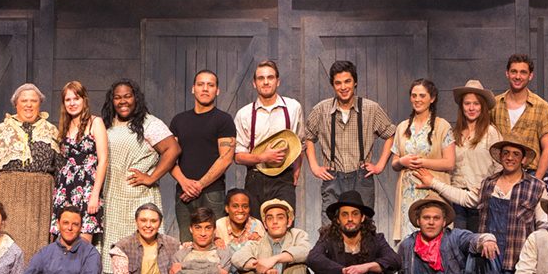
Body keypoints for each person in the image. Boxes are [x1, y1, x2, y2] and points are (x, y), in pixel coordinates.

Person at [100, 79, 180, 272]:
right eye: (117, 97)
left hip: (139, 198)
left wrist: (152, 177)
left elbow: (173, 149)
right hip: (113, 198)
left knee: (143, 255)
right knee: (115, 261)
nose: (122, 101)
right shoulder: (108, 124)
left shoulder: (149, 123)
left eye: (127, 96)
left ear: (136, 98)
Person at [301, 60, 396, 220]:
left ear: (355, 82)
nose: (343, 87)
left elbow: (391, 133)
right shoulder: (321, 109)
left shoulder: (370, 108)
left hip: (361, 178)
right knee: (330, 225)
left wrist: (380, 165)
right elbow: (307, 137)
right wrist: (314, 167)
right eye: (338, 83)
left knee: (364, 226)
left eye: (347, 81)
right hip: (333, 177)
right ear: (333, 85)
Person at [0, 83, 61, 257]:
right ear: (16, 104)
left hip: (40, 199)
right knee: (9, 246)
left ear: (40, 104)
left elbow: (60, 169)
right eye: (24, 101)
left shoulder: (51, 131)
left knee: (37, 247)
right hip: (9, 198)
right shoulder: (1, 131)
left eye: (33, 101)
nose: (28, 105)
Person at [478, 140, 548, 274]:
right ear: (500, 157)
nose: (510, 158)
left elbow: (543, 224)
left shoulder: (536, 186)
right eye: (506, 153)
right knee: (484, 270)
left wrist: (538, 258)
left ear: (523, 159)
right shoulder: (488, 183)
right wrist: (434, 183)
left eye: (516, 154)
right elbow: (468, 200)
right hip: (490, 255)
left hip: (518, 257)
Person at [417, 80, 501, 230]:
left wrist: (491, 192)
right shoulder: (454, 133)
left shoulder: (491, 133)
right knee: (457, 240)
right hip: (456, 198)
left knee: (478, 240)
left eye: (476, 104)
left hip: (481, 199)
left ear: (482, 106)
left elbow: (499, 167)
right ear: (461, 106)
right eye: (467, 103)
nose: (471, 108)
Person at [169, 70, 237, 240]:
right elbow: (168, 157)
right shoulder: (179, 120)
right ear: (193, 89)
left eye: (210, 85)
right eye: (200, 84)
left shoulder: (224, 120)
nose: (205, 89)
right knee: (186, 243)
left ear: (217, 90)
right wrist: (184, 182)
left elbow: (226, 158)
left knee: (215, 243)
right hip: (183, 192)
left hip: (212, 193)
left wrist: (199, 185)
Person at [389, 78, 455, 240]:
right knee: (410, 240)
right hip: (407, 193)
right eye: (414, 95)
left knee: (433, 239)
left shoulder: (442, 126)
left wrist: (423, 162)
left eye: (422, 95)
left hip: (432, 190)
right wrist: (402, 162)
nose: (417, 99)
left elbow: (449, 162)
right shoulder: (402, 127)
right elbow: (394, 163)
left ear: (432, 98)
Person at [234, 60, 303, 210]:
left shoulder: (293, 107)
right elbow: (238, 157)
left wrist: (296, 172)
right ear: (254, 83)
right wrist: (262, 157)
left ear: (278, 81)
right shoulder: (244, 114)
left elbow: (300, 144)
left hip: (284, 178)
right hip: (255, 177)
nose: (266, 82)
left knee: (283, 222)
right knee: (255, 224)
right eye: (261, 78)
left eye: (270, 77)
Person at [51, 80, 108, 243]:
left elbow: (103, 160)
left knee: (83, 241)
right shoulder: (64, 126)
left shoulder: (95, 122)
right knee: (62, 241)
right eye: (68, 100)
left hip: (87, 187)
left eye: (76, 98)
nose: (72, 103)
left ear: (84, 100)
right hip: (65, 188)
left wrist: (95, 194)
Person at [492, 54, 548, 180]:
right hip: (498, 173)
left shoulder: (542, 107)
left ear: (530, 76)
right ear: (507, 73)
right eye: (514, 71)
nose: (518, 76)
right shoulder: (494, 104)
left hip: (529, 173)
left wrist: (536, 181)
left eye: (523, 72)